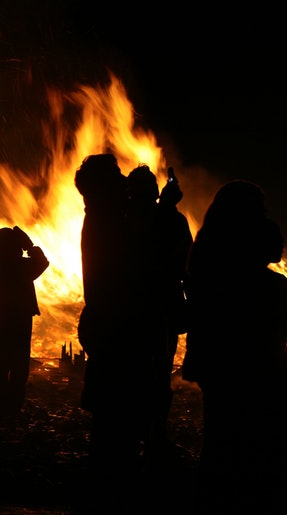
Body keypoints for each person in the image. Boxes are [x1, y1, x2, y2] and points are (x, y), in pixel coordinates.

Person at [182, 180, 287, 514]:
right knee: (266, 456)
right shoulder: (265, 283)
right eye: (260, 212)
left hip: (217, 373)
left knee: (221, 450)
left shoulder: (205, 264)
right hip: (261, 377)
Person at [74, 153, 141, 503]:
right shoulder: (108, 222)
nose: (122, 180)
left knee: (113, 414)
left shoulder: (105, 217)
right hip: (114, 324)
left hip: (107, 322)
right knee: (117, 412)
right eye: (115, 175)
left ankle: (108, 482)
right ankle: (111, 489)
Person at [125, 164, 192, 466]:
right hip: (147, 305)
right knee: (149, 374)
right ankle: (147, 436)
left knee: (154, 373)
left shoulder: (167, 220)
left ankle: (151, 435)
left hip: (158, 306)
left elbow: (186, 264)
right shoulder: (129, 220)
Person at [0, 226, 49, 421]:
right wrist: (30, 245)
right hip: (18, 321)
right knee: (18, 366)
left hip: (6, 321)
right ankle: (11, 409)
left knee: (3, 365)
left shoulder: (0, 264)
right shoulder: (10, 265)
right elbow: (41, 263)